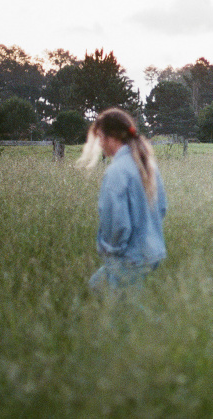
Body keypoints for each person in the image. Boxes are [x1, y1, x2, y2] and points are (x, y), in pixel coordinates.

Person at [77, 108, 167, 294]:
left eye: (101, 137)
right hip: (151, 252)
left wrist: (110, 251)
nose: (100, 144)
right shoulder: (147, 164)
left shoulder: (116, 171)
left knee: (121, 311)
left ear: (112, 137)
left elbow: (117, 223)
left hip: (129, 257)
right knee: (95, 290)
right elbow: (162, 207)